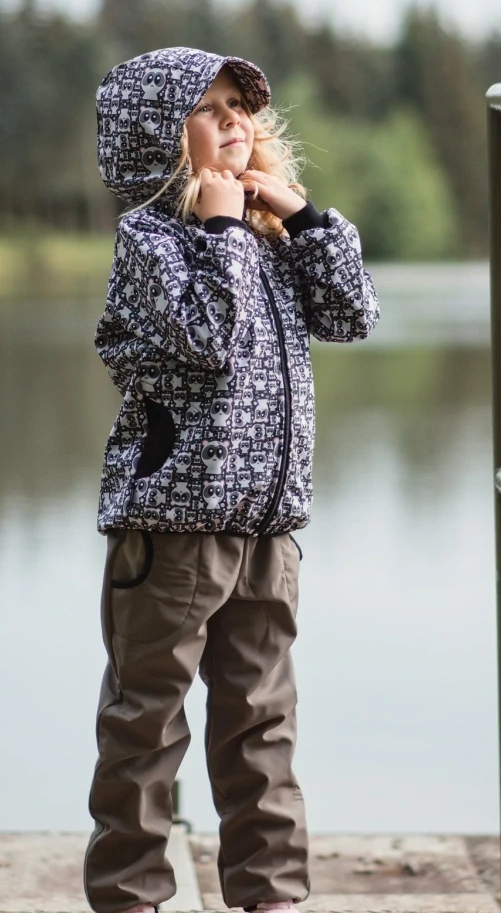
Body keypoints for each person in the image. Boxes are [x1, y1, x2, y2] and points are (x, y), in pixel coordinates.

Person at [84, 46, 380, 913]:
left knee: (262, 723)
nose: (235, 122)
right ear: (159, 138)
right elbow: (206, 340)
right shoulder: (152, 240)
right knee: (147, 723)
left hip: (266, 528)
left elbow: (354, 313)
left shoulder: (269, 235)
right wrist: (215, 227)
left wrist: (302, 216)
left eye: (241, 107)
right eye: (210, 110)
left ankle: (271, 895)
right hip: (175, 528)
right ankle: (132, 896)